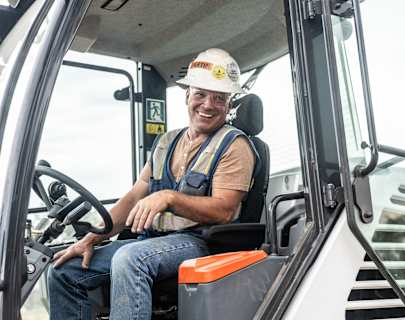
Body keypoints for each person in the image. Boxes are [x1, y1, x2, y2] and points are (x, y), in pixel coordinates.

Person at [47, 48, 256, 320]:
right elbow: (135, 196)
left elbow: (224, 210)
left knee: (130, 258)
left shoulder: (234, 145)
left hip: (200, 242)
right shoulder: (166, 142)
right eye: (200, 94)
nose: (207, 104)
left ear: (229, 105)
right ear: (187, 95)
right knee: (65, 269)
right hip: (152, 241)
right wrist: (92, 238)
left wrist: (170, 197)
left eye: (219, 98)